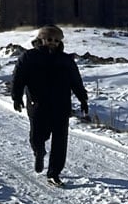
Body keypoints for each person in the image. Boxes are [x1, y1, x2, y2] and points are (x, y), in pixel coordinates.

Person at [11, 24, 89, 187]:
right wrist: (16, 98)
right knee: (37, 136)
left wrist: (83, 100)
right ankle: (39, 151)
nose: (53, 43)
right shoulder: (29, 57)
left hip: (61, 105)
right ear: (41, 39)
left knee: (60, 140)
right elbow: (18, 78)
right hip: (37, 104)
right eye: (49, 39)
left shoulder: (66, 60)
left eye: (56, 40)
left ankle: (54, 173)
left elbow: (76, 81)